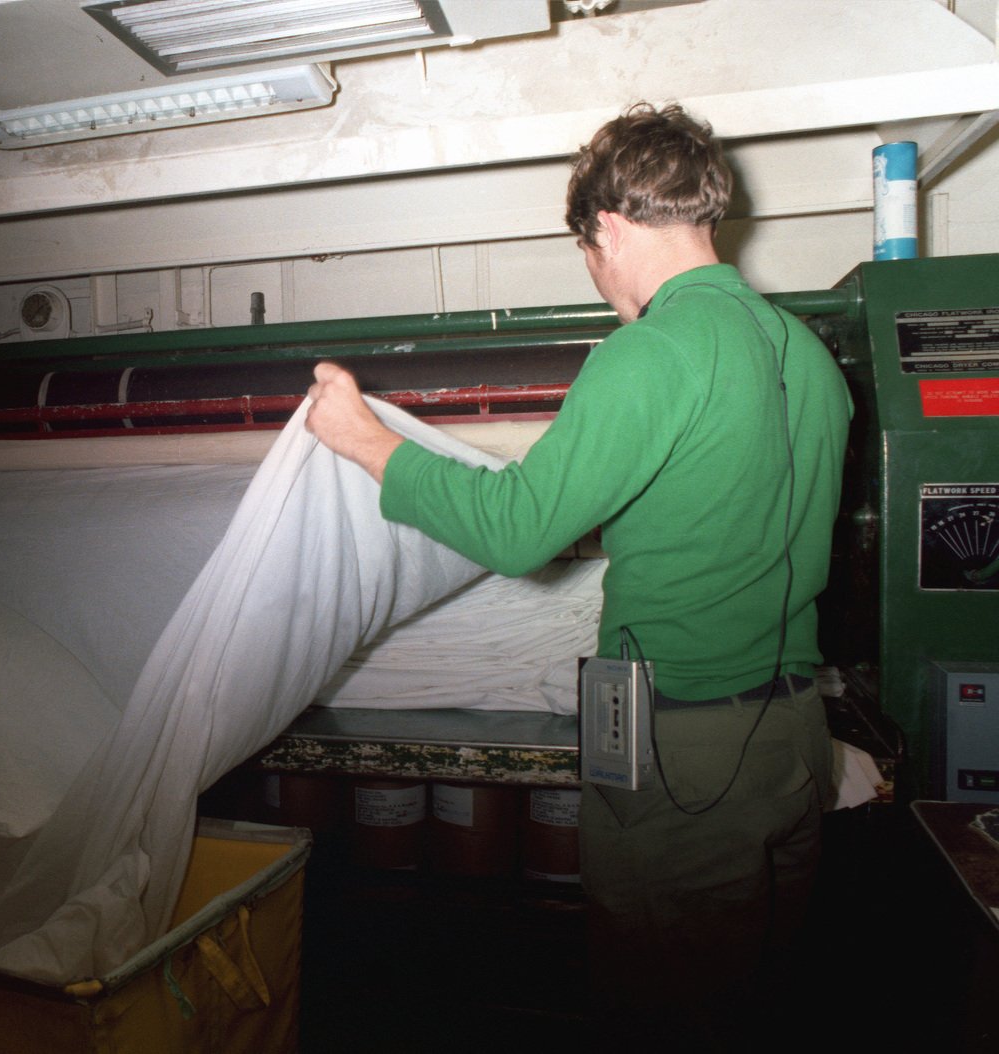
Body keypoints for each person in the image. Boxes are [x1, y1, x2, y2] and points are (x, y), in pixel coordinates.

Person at [305, 102, 851, 1040]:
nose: (598, 280)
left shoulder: (651, 353)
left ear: (606, 226)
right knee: (761, 994)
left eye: (588, 256)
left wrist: (367, 443)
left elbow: (516, 530)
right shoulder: (809, 354)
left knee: (665, 1005)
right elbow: (737, 516)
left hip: (686, 757)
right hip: (794, 742)